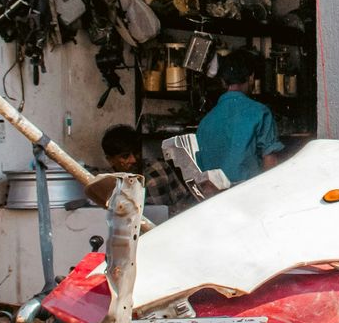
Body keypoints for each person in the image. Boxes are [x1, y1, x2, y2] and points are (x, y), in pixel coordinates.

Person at [196, 49, 283, 184]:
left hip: (214, 200)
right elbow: (270, 162)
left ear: (223, 82)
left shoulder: (205, 122)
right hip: (248, 197)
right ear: (251, 78)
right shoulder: (260, 112)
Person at [100, 124, 193, 211]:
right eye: (125, 156)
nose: (133, 160)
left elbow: (183, 203)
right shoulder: (106, 183)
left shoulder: (159, 168)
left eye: (136, 153)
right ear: (110, 160)